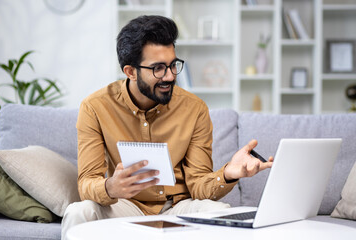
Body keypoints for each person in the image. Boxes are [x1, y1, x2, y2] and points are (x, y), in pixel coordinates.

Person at [61, 15, 273, 239]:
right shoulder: (95, 107)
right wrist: (111, 187)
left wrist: (229, 173)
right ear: (130, 72)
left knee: (222, 214)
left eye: (173, 65)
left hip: (177, 207)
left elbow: (198, 185)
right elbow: (87, 183)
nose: (170, 76)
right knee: (79, 212)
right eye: (158, 68)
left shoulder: (195, 109)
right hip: (122, 206)